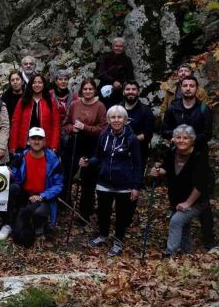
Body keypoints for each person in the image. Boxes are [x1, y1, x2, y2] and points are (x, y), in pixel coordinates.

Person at [80, 105, 142, 256]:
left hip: (124, 183)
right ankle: (103, 235)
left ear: (125, 119)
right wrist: (89, 161)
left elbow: (138, 163)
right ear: (108, 119)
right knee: (103, 211)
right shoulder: (103, 135)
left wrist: (136, 186)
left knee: (121, 214)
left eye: (119, 117)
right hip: (105, 181)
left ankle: (118, 240)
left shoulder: (131, 139)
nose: (116, 120)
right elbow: (98, 156)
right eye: (113, 117)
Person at [150, 125, 215, 256]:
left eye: (185, 138)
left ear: (192, 139)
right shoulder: (172, 152)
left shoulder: (198, 156)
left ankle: (170, 253)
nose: (181, 140)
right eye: (178, 137)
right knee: (183, 227)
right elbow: (167, 170)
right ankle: (187, 253)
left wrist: (187, 203)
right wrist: (157, 172)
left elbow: (201, 185)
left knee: (176, 221)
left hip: (197, 201)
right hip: (176, 198)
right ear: (173, 139)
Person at [0, 127, 63, 243]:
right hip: (25, 194)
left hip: (43, 197)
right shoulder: (21, 157)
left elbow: (58, 184)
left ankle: (39, 226)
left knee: (39, 212)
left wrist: (42, 196)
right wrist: (11, 174)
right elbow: (18, 180)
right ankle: (7, 224)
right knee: (12, 189)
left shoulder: (53, 160)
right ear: (28, 141)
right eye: (33, 138)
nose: (36, 142)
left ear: (44, 142)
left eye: (40, 139)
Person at [63, 78, 108, 221]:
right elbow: (66, 123)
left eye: (90, 89)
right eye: (85, 89)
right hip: (75, 142)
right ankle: (64, 205)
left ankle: (85, 213)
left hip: (92, 145)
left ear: (94, 90)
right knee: (68, 174)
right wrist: (72, 128)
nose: (87, 91)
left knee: (88, 180)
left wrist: (85, 128)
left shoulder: (100, 106)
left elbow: (103, 128)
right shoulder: (75, 104)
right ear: (81, 90)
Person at [9, 73, 60, 153]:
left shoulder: (51, 101)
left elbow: (55, 125)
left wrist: (54, 145)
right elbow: (15, 123)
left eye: (40, 82)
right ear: (30, 85)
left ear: (44, 85)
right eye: (34, 82)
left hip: (45, 145)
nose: (37, 85)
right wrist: (13, 145)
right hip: (25, 144)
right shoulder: (23, 101)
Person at [161, 76, 213, 151]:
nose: (188, 88)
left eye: (191, 86)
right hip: (176, 151)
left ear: (197, 88)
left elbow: (207, 134)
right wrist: (178, 137)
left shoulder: (204, 109)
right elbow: (164, 131)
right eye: (185, 86)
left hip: (198, 152)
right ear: (181, 88)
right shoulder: (172, 108)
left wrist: (189, 139)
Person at [123, 80, 154, 167]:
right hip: (118, 152)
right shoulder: (118, 109)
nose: (130, 92)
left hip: (138, 152)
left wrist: (130, 141)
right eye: (128, 89)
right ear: (123, 92)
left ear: (138, 92)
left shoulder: (145, 110)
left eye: (133, 89)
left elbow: (148, 134)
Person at [96, 37, 135, 107]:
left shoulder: (127, 60)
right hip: (105, 86)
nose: (118, 48)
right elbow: (102, 73)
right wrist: (113, 82)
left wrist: (121, 84)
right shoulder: (106, 58)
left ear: (123, 48)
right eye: (116, 46)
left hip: (121, 89)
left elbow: (130, 76)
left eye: (120, 46)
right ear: (112, 47)